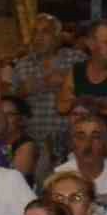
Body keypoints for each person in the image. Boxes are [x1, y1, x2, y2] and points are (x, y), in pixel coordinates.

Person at [12, 13, 86, 159]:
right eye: (35, 32)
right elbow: (12, 104)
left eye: (45, 32)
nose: (38, 37)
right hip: (34, 144)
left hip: (71, 141)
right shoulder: (22, 65)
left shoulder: (77, 59)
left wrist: (66, 82)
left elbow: (93, 93)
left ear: (58, 36)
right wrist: (22, 91)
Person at [58, 20, 107, 142]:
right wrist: (104, 103)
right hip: (80, 141)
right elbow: (61, 107)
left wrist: (84, 103)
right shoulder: (76, 71)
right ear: (90, 44)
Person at [53, 114, 107, 215]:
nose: (88, 144)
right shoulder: (59, 176)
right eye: (81, 137)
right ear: (71, 143)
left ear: (105, 143)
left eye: (96, 137)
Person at [0, 96, 40, 183]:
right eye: (0, 114)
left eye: (9, 114)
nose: (3, 118)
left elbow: (15, 181)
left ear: (21, 119)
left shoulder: (27, 146)